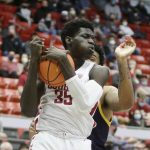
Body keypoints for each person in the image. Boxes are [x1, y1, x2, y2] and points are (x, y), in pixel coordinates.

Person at [20, 19, 109, 150]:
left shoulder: (98, 71)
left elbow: (85, 103)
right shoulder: (48, 67)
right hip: (47, 138)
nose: (91, 41)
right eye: (85, 36)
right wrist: (34, 61)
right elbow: (27, 111)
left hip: (78, 141)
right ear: (69, 40)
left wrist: (64, 61)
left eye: (92, 38)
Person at [88, 37, 136, 150]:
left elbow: (126, 103)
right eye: (82, 59)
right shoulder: (59, 89)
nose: (86, 63)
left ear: (100, 68)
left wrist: (122, 60)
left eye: (91, 59)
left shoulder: (104, 91)